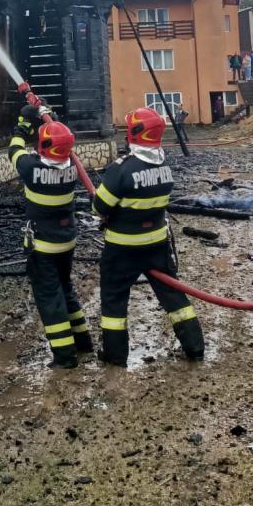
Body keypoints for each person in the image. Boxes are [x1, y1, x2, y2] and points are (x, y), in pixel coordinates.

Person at [93, 107, 204, 366]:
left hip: (122, 249)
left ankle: (115, 356)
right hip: (156, 246)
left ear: (134, 133)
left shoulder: (120, 169)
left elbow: (99, 208)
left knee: (114, 299)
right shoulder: (164, 167)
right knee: (173, 295)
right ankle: (195, 347)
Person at [8, 103, 93, 368]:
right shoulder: (72, 168)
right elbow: (58, 148)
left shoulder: (31, 169)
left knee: (49, 298)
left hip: (43, 247)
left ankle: (65, 357)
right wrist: (51, 123)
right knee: (66, 288)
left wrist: (23, 126)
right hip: (67, 241)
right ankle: (83, 342)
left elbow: (14, 150)